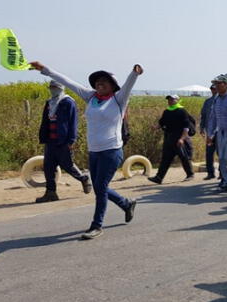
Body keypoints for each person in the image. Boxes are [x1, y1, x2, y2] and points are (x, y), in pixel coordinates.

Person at [30, 61, 143, 240]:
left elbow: (129, 85)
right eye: (97, 81)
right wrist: (44, 69)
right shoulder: (90, 97)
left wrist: (134, 73)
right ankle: (126, 203)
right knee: (100, 187)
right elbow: (67, 82)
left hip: (111, 151)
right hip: (94, 151)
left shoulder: (118, 99)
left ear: (112, 85)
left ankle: (96, 225)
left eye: (104, 81)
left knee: (100, 187)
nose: (100, 83)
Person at [36, 80, 91, 203]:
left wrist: (71, 140)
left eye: (54, 87)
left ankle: (83, 178)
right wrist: (43, 137)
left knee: (68, 165)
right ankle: (51, 193)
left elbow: (73, 123)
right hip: (50, 141)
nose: (52, 90)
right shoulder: (49, 103)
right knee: (48, 167)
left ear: (61, 88)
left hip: (63, 141)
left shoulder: (68, 102)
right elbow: (45, 121)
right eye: (50, 87)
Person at [148, 95, 196, 184]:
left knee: (184, 157)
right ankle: (159, 178)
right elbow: (161, 123)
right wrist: (155, 127)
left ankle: (190, 174)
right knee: (165, 158)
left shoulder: (182, 111)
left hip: (180, 137)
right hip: (169, 138)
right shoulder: (167, 111)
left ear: (177, 100)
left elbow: (186, 127)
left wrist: (182, 139)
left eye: (172, 99)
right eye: (169, 99)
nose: (170, 101)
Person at [200, 84, 218, 180]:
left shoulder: (221, 100)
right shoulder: (207, 102)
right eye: (212, 88)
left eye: (215, 88)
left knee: (222, 154)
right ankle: (210, 173)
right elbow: (203, 116)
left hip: (220, 132)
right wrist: (202, 128)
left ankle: (224, 173)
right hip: (209, 132)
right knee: (209, 153)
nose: (213, 90)